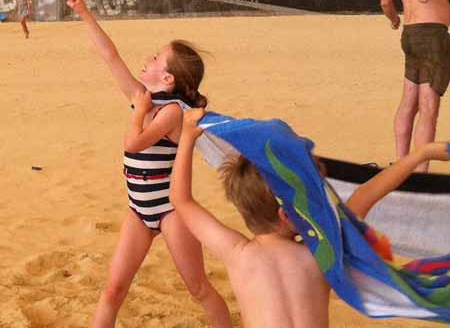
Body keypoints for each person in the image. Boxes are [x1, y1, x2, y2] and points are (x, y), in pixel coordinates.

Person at [171, 107, 450, 328]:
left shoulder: (238, 253)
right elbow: (367, 193)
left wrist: (187, 137)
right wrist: (420, 155)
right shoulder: (323, 252)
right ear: (286, 215)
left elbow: (181, 200)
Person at [66, 0, 232, 328]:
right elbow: (111, 57)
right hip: (138, 210)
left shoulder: (170, 112)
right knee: (113, 289)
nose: (147, 59)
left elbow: (133, 144)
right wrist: (84, 12)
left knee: (198, 288)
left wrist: (138, 112)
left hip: (171, 212)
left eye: (156, 58)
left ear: (167, 79)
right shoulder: (143, 98)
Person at [381, 0, 450, 171]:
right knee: (428, 107)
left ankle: (401, 165)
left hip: (410, 34)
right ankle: (420, 172)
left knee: (408, 102)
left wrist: (394, 20)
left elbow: (386, 2)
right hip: (432, 36)